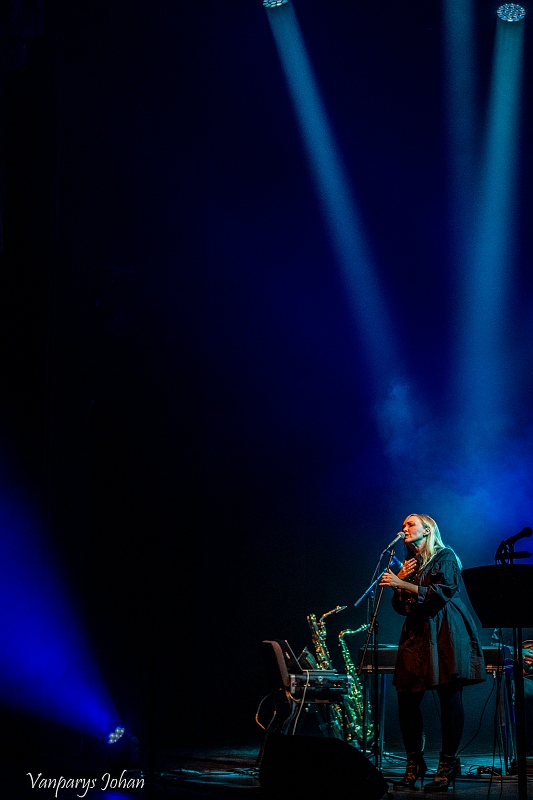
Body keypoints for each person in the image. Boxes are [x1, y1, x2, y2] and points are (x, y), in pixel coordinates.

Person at [379, 513, 486, 792]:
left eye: (410, 524)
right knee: (406, 698)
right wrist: (401, 581)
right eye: (403, 525)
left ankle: (446, 766)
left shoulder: (445, 556)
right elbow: (401, 607)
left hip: (445, 631)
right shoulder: (410, 564)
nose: (404, 528)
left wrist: (401, 583)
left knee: (449, 697)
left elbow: (441, 592)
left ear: (427, 530)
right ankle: (414, 763)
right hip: (416, 634)